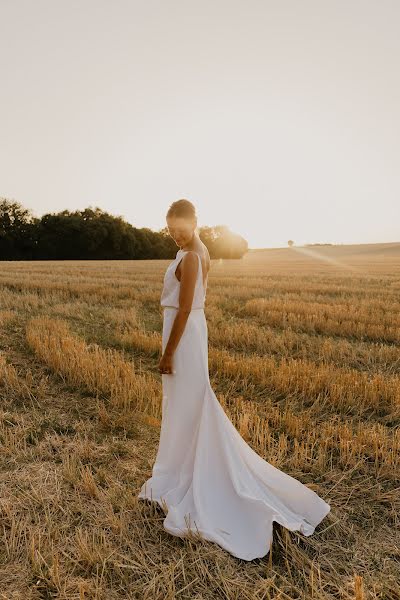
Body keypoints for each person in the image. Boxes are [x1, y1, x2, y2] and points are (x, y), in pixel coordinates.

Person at [138, 199, 330, 561]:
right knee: (188, 406)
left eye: (180, 229)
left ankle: (196, 476)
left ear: (194, 222)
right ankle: (185, 467)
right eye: (170, 230)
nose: (175, 236)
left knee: (188, 406)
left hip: (183, 336)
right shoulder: (197, 249)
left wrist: (167, 353)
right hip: (189, 334)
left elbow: (185, 308)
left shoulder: (192, 257)